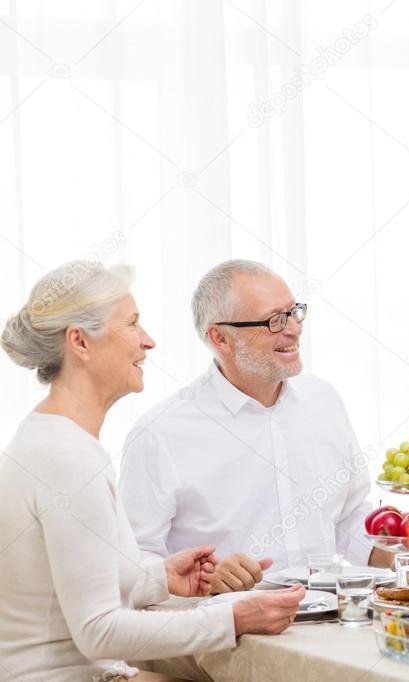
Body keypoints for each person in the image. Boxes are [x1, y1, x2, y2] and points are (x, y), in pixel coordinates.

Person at [0, 261, 303, 682]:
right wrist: (233, 618)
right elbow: (99, 632)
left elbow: (73, 580)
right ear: (80, 343)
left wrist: (159, 578)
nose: (148, 342)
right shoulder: (65, 457)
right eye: (132, 324)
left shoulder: (55, 439)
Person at [119, 260, 387, 594]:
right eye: (275, 320)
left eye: (294, 312)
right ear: (221, 338)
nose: (294, 329)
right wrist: (205, 580)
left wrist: (402, 555)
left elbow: (347, 517)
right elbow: (130, 562)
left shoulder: (324, 401)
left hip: (330, 622)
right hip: (230, 634)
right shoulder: (159, 434)